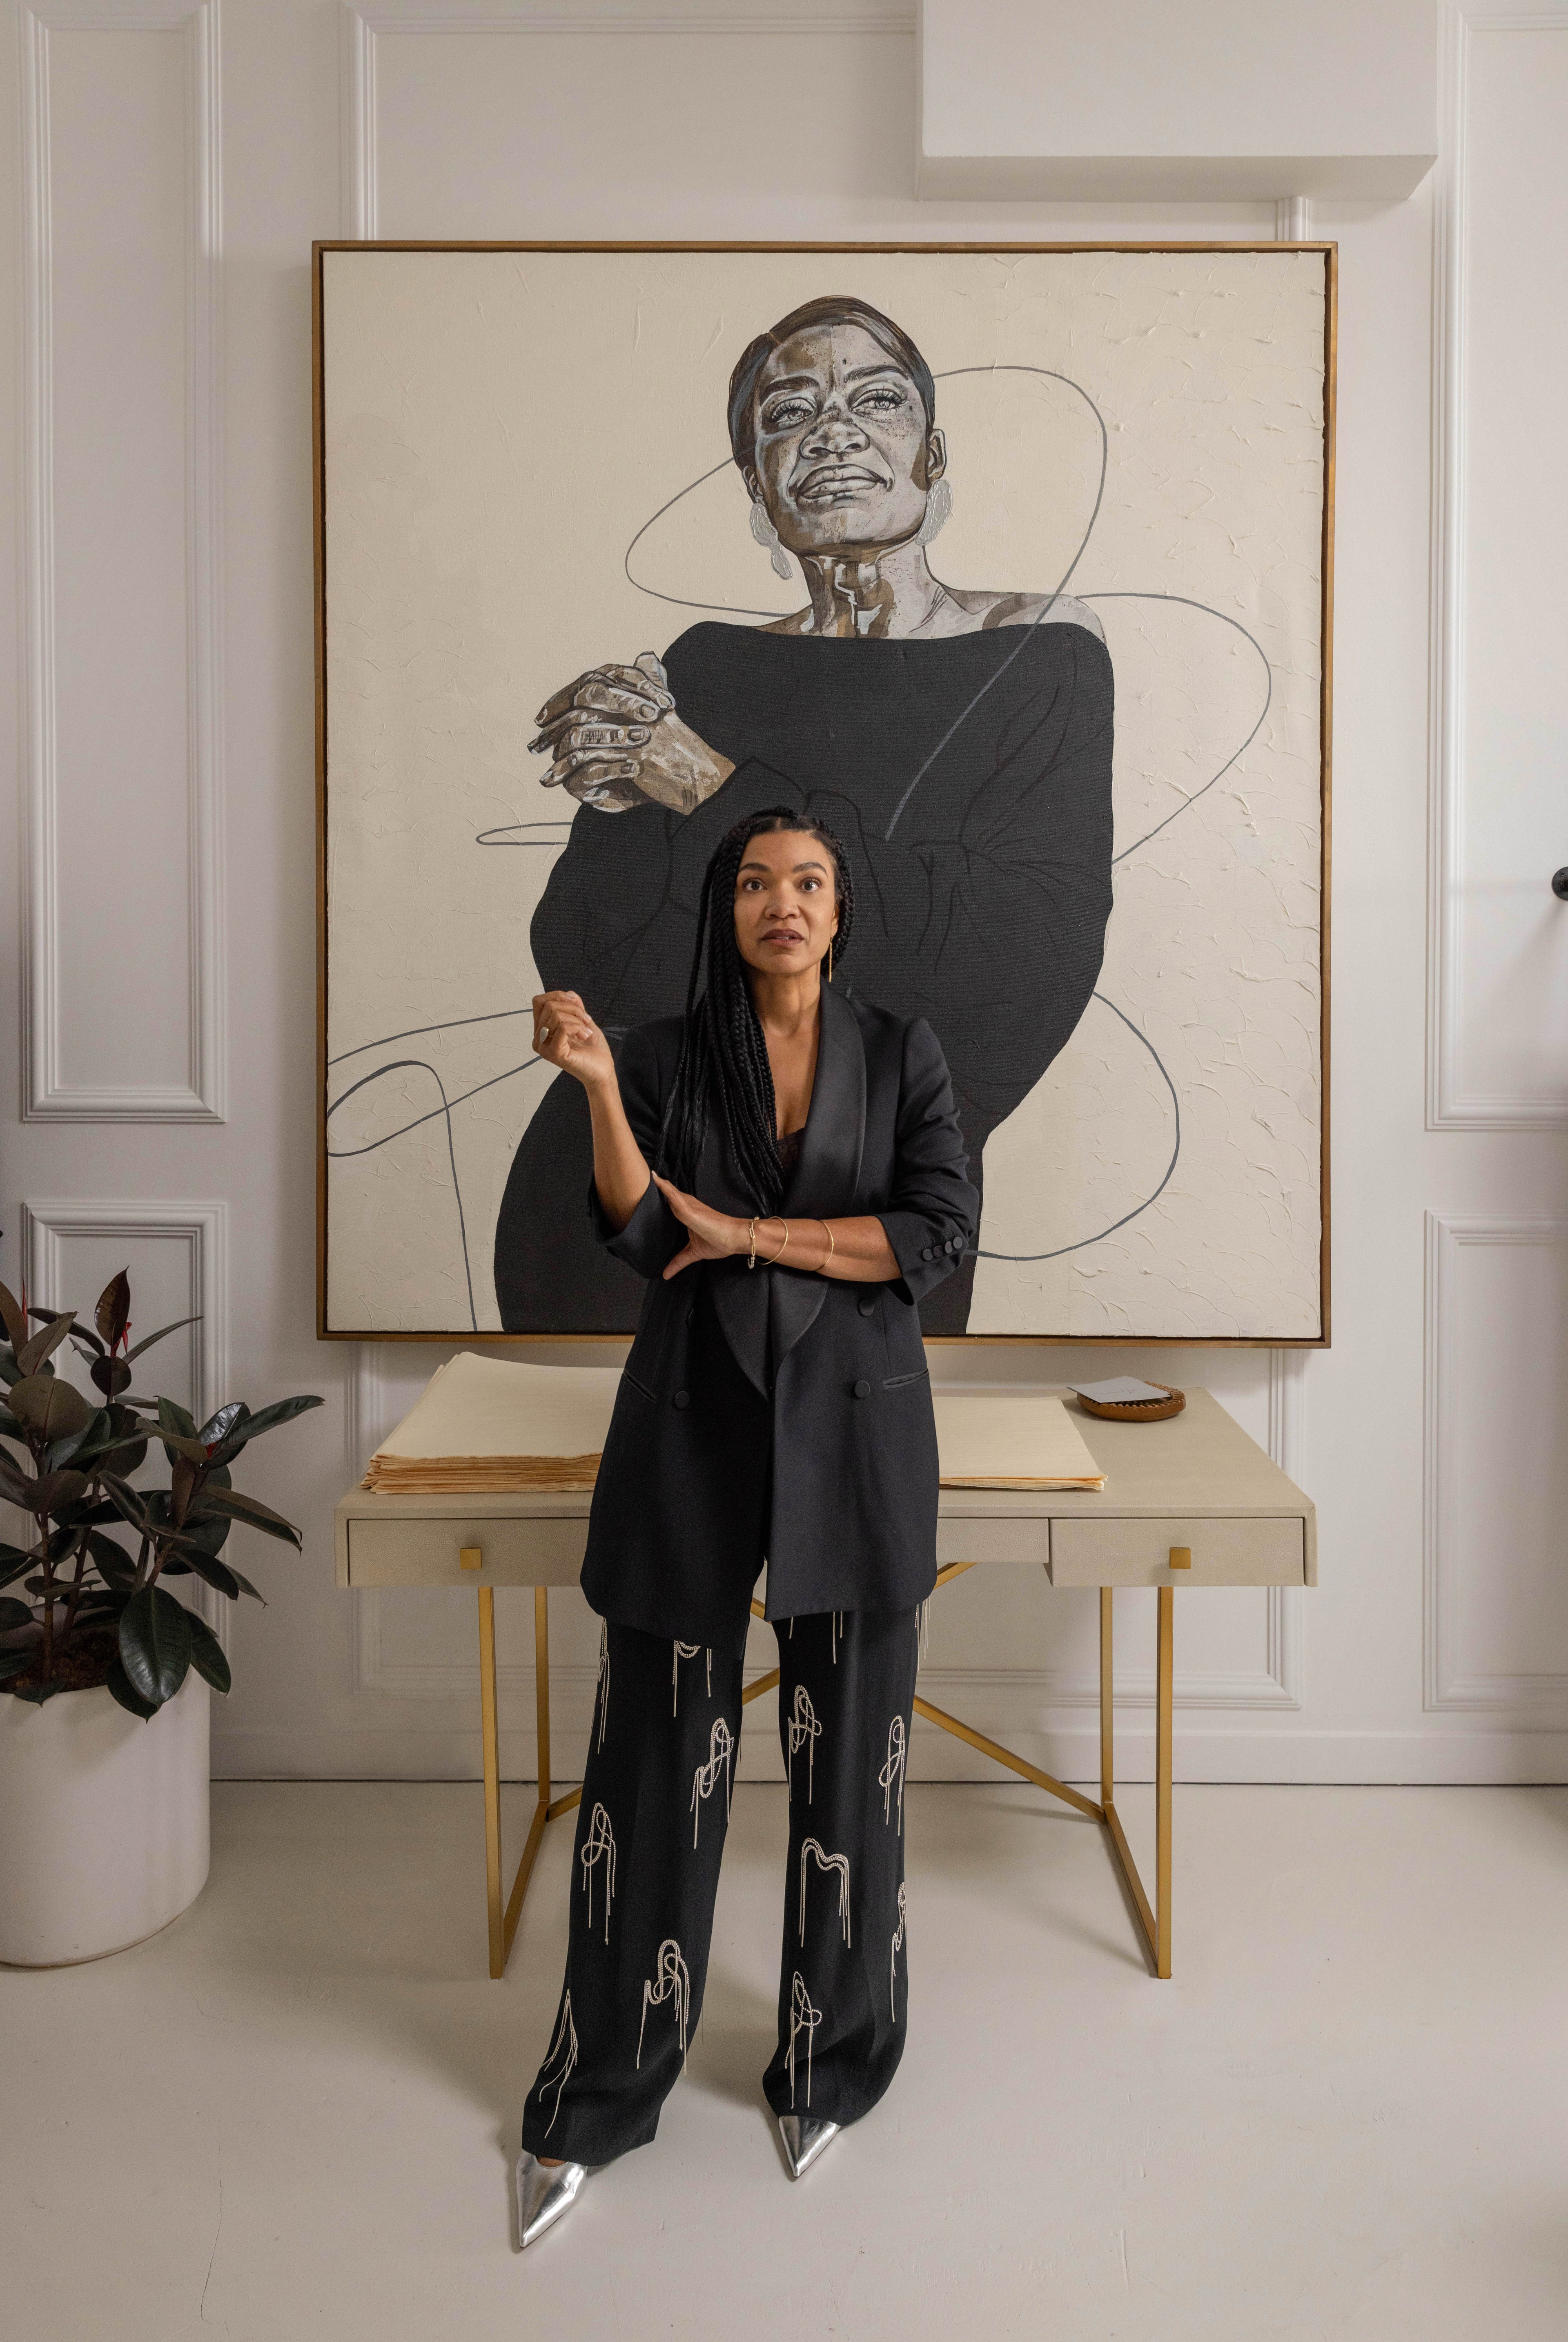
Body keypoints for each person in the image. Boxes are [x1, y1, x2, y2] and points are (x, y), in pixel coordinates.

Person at [515, 805, 978, 2248]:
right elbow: (646, 1232)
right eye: (761, 884)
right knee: (653, 1766)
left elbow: (934, 1237)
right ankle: (604, 2083)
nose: (787, 903)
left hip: (857, 1431)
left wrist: (756, 1236)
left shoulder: (905, 1054)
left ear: (843, 914)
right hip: (691, 1424)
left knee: (856, 1774)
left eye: (813, 884)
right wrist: (595, 1084)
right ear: (729, 908)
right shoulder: (657, 1052)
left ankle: (830, 2064)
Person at [494, 292, 1113, 1338]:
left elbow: (1012, 966)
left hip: (866, 1225)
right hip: (621, 1221)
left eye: (876, 399)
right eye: (787, 414)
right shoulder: (700, 665)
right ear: (755, 485)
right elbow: (593, 971)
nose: (832, 431)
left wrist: (699, 785)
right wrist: (615, 807)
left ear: (932, 451)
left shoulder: (1040, 652)